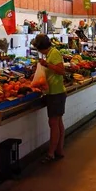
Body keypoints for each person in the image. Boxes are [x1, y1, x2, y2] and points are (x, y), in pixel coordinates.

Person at [32, 34, 66, 162]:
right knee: (58, 123)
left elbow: (62, 71)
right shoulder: (50, 53)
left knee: (53, 123)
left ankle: (51, 153)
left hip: (56, 94)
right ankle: (59, 150)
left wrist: (46, 65)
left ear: (41, 47)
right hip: (54, 92)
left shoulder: (54, 53)